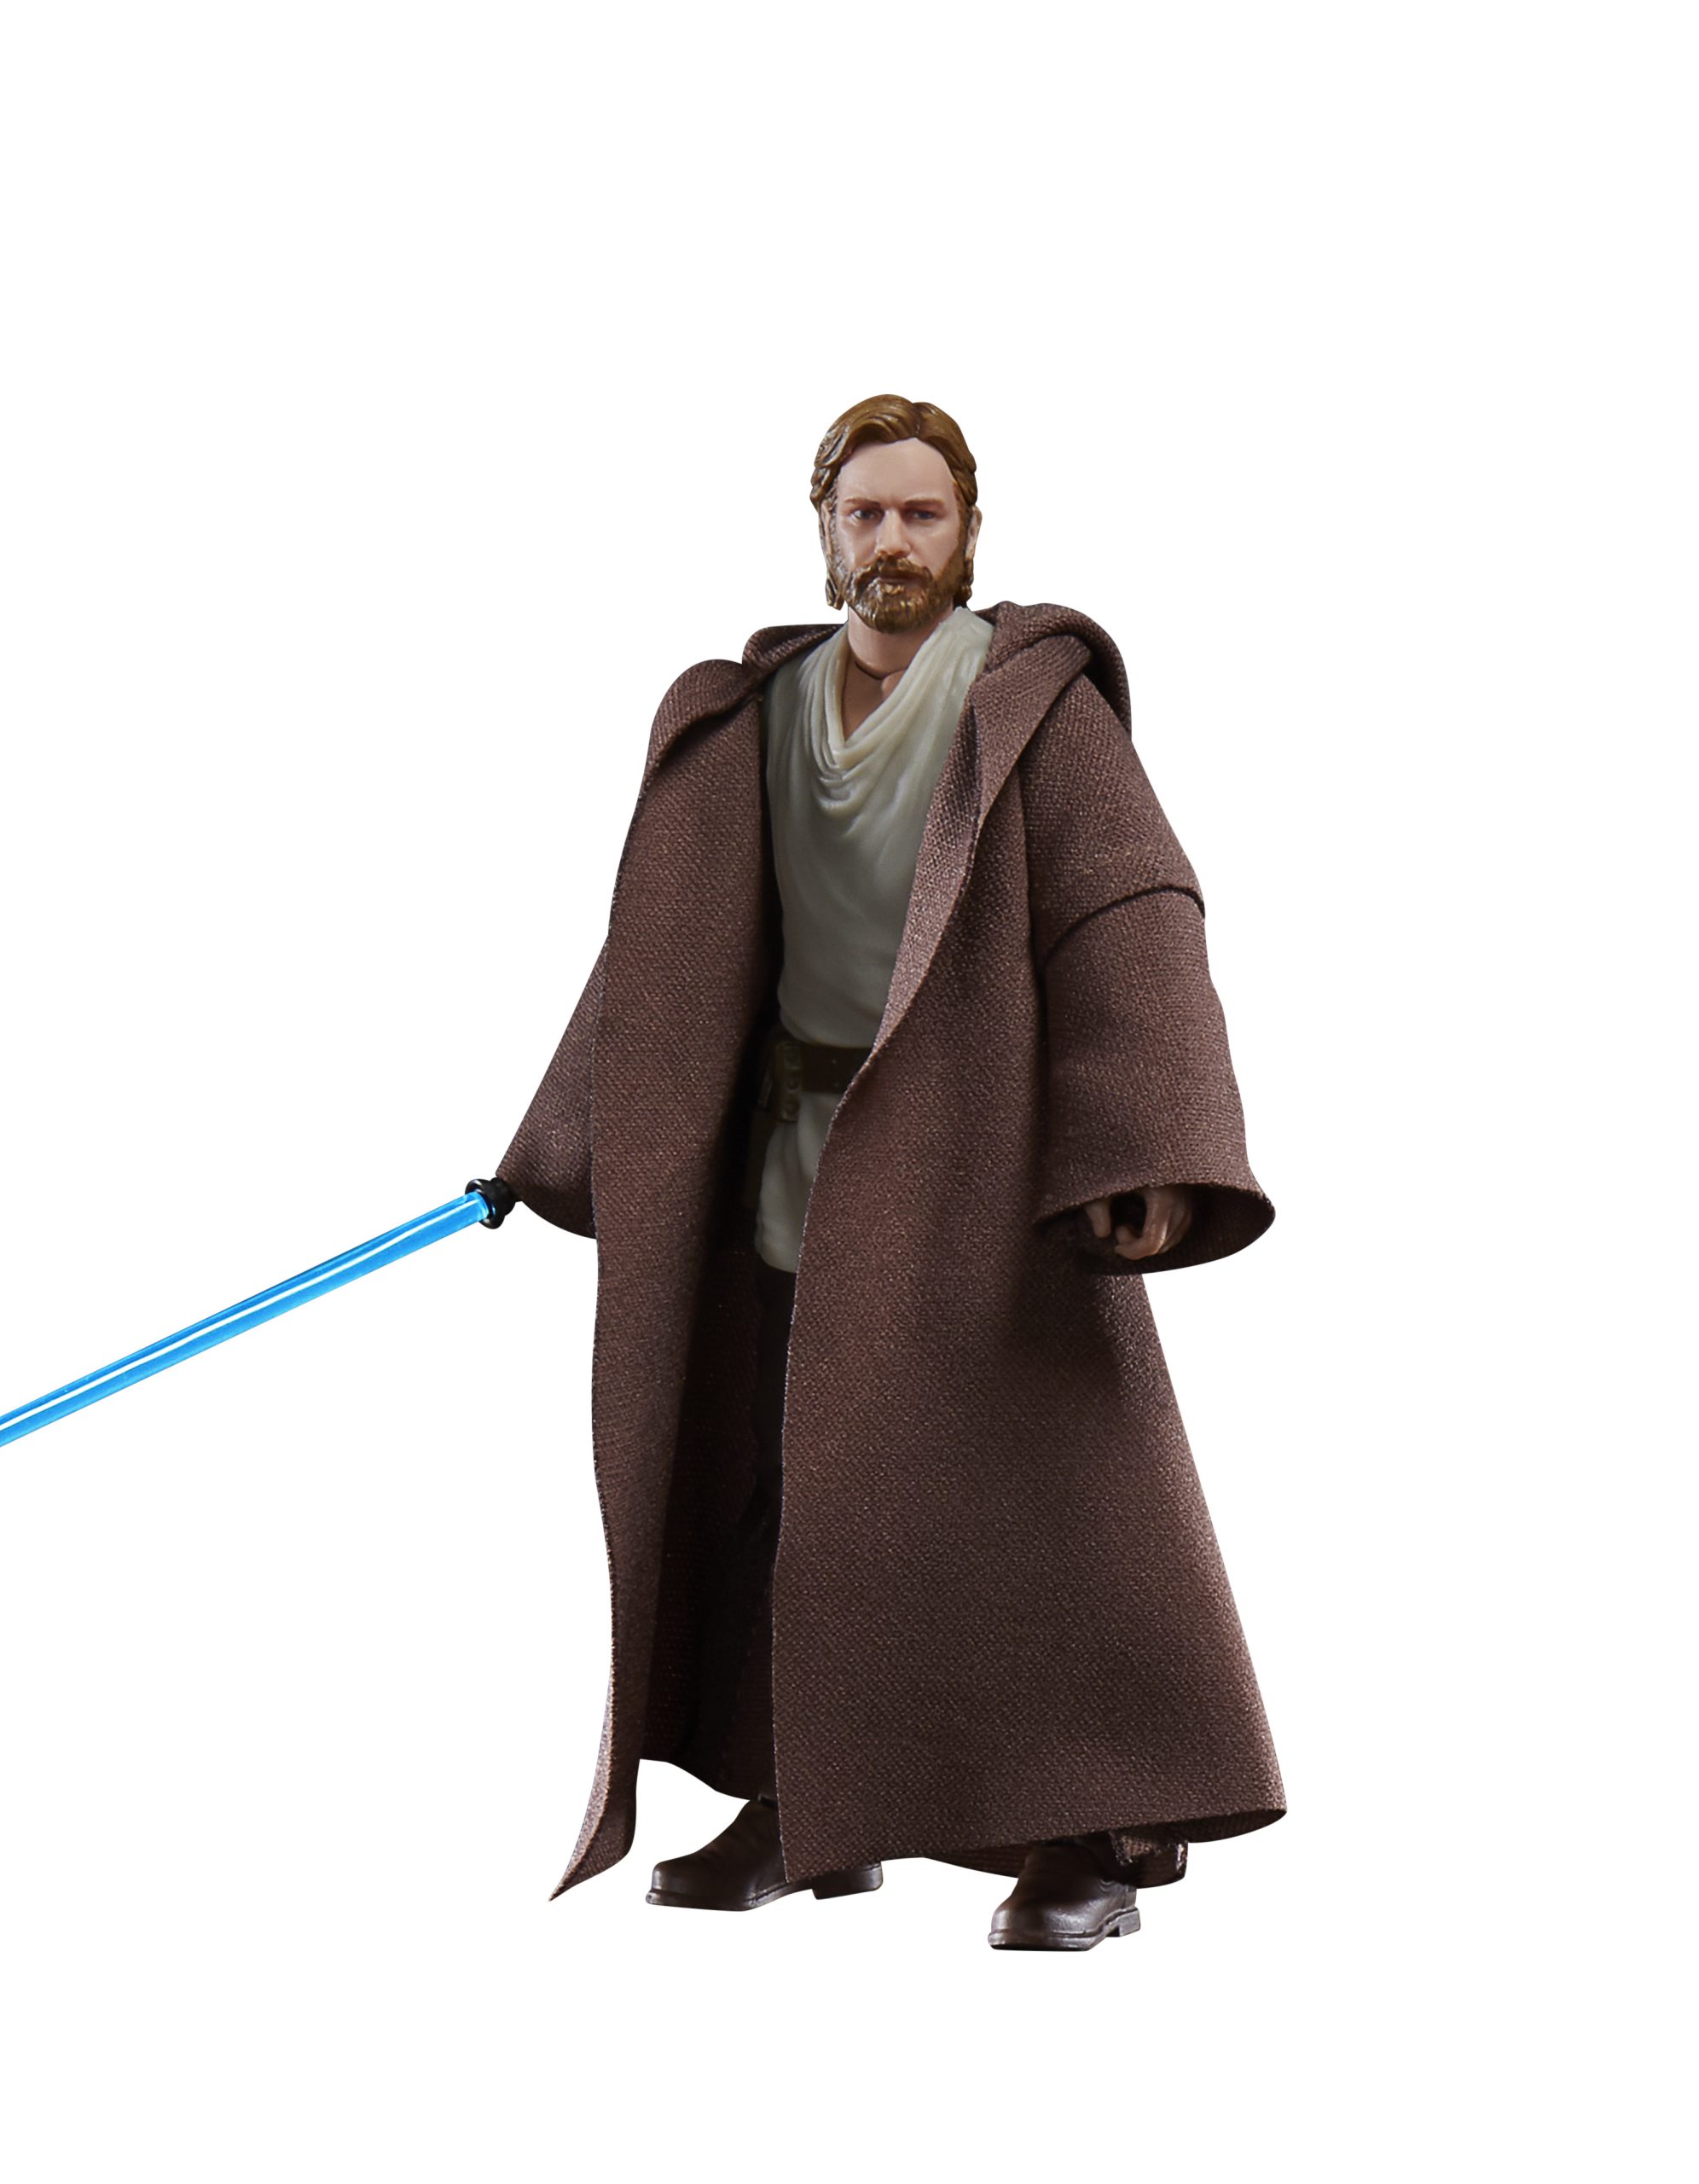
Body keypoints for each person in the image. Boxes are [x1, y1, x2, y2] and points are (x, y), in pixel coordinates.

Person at [493, 394, 1284, 1950]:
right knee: (792, 1493)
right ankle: (810, 1802)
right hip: (793, 1167)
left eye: (923, 514)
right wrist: (559, 1142)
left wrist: (1150, 1142)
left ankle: (1093, 1831)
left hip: (980, 1173)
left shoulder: (1027, 711)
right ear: (825, 528)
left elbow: (1130, 916)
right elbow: (657, 957)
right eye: (866, 512)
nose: (893, 541)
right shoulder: (756, 718)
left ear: (968, 532)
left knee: (1042, 1500)